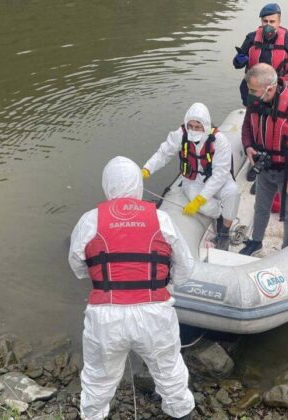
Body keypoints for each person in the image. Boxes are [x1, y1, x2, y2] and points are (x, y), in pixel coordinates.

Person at [68, 156, 195, 420]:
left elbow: (77, 266)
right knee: (169, 371)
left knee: (97, 377)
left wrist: (101, 280)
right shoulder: (161, 219)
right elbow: (185, 266)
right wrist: (165, 284)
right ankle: (181, 413)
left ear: (107, 185)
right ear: (138, 184)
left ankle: (92, 416)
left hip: (106, 317)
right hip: (155, 312)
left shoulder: (89, 221)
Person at [239, 63, 288, 256]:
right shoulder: (256, 100)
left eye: (253, 90)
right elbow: (247, 126)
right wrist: (248, 145)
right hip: (264, 167)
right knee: (260, 207)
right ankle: (255, 242)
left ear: (270, 88)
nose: (250, 95)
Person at [141, 103, 240, 250]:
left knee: (233, 192)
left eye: (198, 127)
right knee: (203, 206)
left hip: (217, 179)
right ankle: (220, 215)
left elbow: (220, 173)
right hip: (192, 180)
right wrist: (147, 169)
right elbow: (163, 154)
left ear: (205, 125)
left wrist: (203, 197)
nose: (193, 130)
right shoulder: (180, 135)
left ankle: (224, 233)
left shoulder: (219, 141)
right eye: (191, 126)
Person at [233, 3, 288, 106]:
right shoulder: (251, 38)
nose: (268, 25)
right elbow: (236, 65)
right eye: (265, 21)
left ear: (279, 22)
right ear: (261, 21)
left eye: (272, 21)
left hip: (279, 89)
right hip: (254, 89)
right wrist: (239, 60)